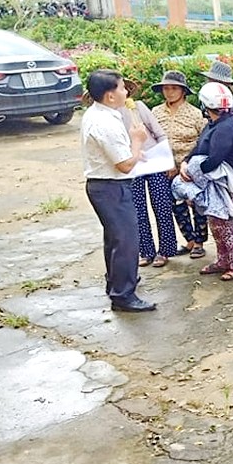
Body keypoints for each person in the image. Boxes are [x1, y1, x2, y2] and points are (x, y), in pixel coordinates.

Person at [80, 69, 156, 313]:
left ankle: (116, 283)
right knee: (125, 241)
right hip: (110, 186)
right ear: (110, 95)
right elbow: (124, 165)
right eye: (122, 88)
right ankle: (123, 295)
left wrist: (134, 152)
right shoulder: (104, 123)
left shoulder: (99, 114)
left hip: (105, 185)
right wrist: (137, 141)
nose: (126, 92)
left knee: (115, 238)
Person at [180, 83, 233, 282]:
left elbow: (214, 159)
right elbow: (199, 148)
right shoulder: (213, 124)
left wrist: (192, 172)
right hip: (213, 185)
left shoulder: (224, 128)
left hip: (225, 186)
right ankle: (223, 260)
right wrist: (186, 161)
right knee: (217, 225)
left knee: (227, 227)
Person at [151, 70, 208, 259]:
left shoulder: (195, 114)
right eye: (166, 88)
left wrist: (189, 164)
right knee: (176, 206)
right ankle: (189, 239)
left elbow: (203, 141)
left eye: (174, 88)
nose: (169, 92)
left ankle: (199, 241)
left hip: (190, 167)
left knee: (196, 204)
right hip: (165, 167)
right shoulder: (156, 112)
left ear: (183, 91)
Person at [122, 81, 177, 268]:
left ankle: (165, 250)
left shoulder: (138, 107)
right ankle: (146, 251)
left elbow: (159, 133)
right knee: (137, 209)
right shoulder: (111, 115)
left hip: (154, 160)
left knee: (162, 205)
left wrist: (168, 160)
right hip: (132, 163)